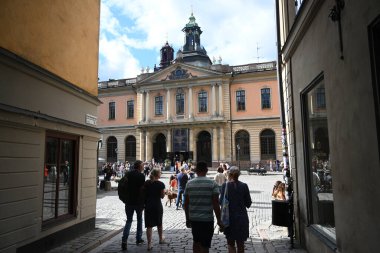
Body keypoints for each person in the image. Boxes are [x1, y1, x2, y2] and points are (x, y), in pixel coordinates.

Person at [184, 161, 223, 253]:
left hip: (194, 219)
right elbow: (216, 204)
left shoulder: (189, 184)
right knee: (205, 245)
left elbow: (186, 204)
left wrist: (187, 219)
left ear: (196, 171)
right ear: (206, 170)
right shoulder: (212, 183)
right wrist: (219, 220)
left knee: (196, 242)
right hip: (207, 219)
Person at [219, 166, 252, 253]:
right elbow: (248, 204)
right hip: (241, 218)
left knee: (230, 243)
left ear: (229, 174)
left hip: (229, 219)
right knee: (240, 244)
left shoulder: (225, 186)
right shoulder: (244, 186)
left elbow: (220, 202)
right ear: (239, 175)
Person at [121, 160, 146, 251]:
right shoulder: (141, 176)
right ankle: (138, 239)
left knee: (129, 221)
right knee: (139, 220)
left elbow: (122, 186)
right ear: (139, 166)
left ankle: (124, 241)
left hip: (128, 202)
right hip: (138, 202)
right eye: (142, 165)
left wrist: (124, 199)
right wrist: (143, 203)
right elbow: (142, 190)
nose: (143, 167)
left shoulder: (128, 174)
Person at [143, 168, 166, 251]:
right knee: (159, 223)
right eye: (160, 173)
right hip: (157, 205)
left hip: (148, 205)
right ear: (157, 175)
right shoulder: (160, 184)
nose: (161, 174)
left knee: (149, 225)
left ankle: (149, 244)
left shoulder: (146, 183)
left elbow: (144, 194)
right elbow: (162, 196)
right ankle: (161, 239)